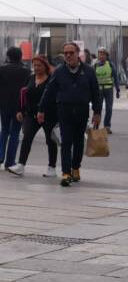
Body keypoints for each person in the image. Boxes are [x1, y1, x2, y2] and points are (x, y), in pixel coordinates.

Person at [38, 42, 102, 187]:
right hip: (64, 110)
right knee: (66, 141)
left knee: (79, 141)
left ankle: (75, 168)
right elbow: (49, 91)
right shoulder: (59, 71)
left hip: (82, 110)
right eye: (65, 53)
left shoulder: (89, 71)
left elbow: (96, 92)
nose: (68, 55)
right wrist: (41, 109)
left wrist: (97, 112)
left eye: (71, 52)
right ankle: (66, 173)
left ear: (77, 53)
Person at [11, 55, 58, 178]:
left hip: (49, 115)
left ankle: (51, 167)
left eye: (39, 65)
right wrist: (19, 110)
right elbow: (23, 94)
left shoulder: (52, 79)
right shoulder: (30, 78)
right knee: (26, 138)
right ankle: (21, 165)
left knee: (50, 140)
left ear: (45, 66)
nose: (36, 68)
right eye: (34, 65)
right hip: (31, 115)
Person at [0, 46, 32, 171]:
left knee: (4, 130)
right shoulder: (26, 71)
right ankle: (10, 161)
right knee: (15, 132)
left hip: (4, 104)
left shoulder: (2, 69)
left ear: (8, 56)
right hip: (19, 106)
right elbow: (29, 89)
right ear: (20, 56)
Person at [94, 47, 121, 133]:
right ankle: (96, 125)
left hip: (108, 89)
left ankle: (107, 126)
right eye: (100, 54)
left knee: (109, 108)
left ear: (106, 55)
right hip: (99, 90)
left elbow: (115, 77)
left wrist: (117, 89)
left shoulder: (110, 65)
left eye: (103, 54)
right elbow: (91, 79)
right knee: (98, 108)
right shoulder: (95, 65)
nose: (101, 55)